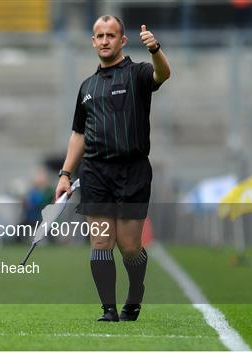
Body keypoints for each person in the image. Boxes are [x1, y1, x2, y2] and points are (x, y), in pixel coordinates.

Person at [54, 15, 170, 322]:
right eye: (99, 36)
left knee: (130, 247)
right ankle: (108, 308)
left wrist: (155, 49)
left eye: (111, 35)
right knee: (101, 241)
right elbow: (78, 133)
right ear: (93, 41)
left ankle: (135, 291)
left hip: (133, 171)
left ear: (122, 41)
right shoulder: (87, 87)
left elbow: (163, 74)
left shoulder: (138, 74)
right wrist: (65, 174)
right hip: (95, 173)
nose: (105, 40)